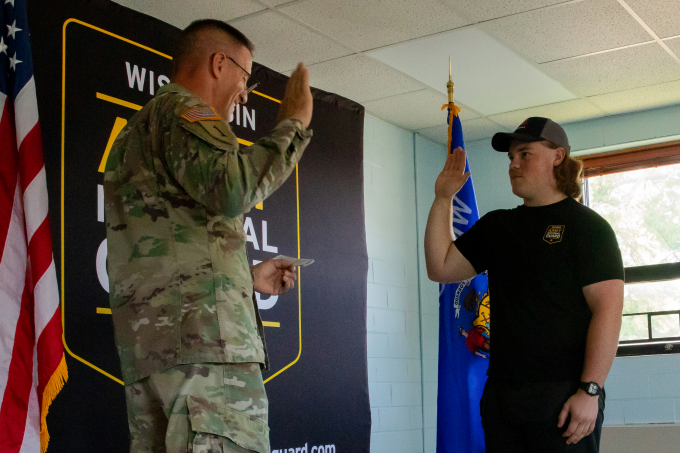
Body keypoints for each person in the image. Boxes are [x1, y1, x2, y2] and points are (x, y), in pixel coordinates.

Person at [104, 19, 313, 453]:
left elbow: (167, 241)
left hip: (156, 355)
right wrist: (293, 123)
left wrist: (242, 277)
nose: (244, 92)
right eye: (244, 77)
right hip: (205, 360)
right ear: (219, 63)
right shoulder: (185, 111)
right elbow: (231, 187)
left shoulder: (132, 135)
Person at [424, 117, 624, 452]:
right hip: (503, 396)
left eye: (525, 154)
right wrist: (443, 198)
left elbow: (608, 309)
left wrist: (590, 391)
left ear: (557, 157)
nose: (513, 164)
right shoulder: (499, 226)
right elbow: (440, 267)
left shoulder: (588, 228)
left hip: (564, 396)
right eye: (510, 158)